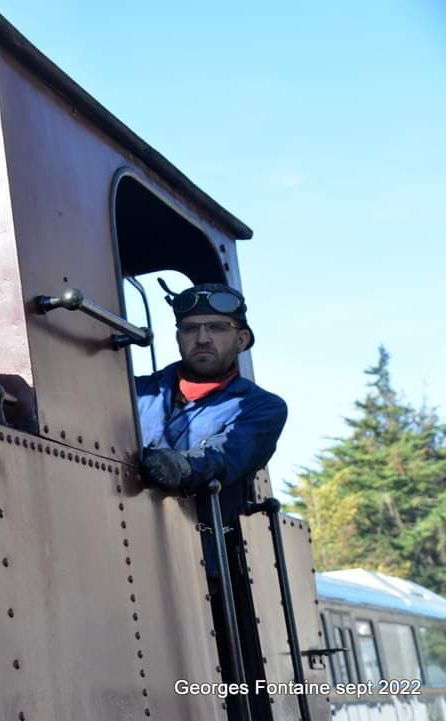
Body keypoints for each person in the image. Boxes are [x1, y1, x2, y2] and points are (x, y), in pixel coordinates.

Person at [134, 282, 287, 718]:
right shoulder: (133, 391)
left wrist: (183, 468)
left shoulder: (262, 408)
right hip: (125, 554)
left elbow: (230, 452)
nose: (202, 338)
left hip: (211, 567)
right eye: (190, 328)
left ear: (242, 339)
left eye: (217, 328)